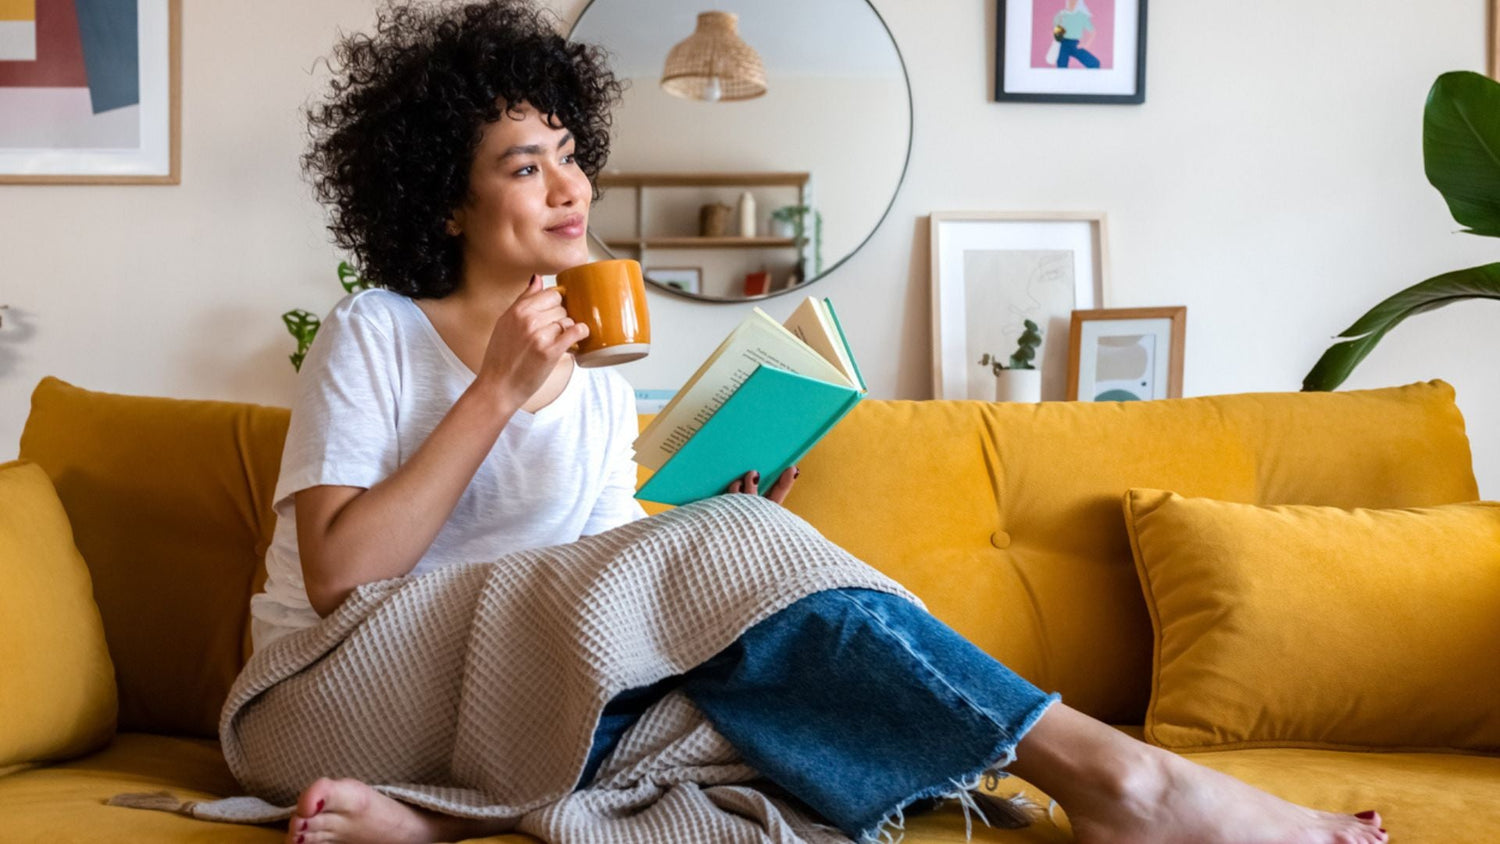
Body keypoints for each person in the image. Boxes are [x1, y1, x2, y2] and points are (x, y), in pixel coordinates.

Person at [248, 2, 1391, 843]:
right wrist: (494, 392)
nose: (570, 187)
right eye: (524, 164)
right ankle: (1129, 781)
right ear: (445, 203)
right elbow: (344, 575)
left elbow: (590, 591)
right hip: (325, 696)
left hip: (503, 699)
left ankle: (445, 819)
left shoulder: (597, 380)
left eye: (572, 154)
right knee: (744, 650)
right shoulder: (378, 332)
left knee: (763, 707)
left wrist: (711, 527)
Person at [1053, 0, 1102, 69]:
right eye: (1070, 2)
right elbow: (1057, 34)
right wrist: (1059, 25)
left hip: (1074, 44)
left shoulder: (1082, 16)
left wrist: (1086, 44)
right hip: (1063, 44)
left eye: (1074, 2)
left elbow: (1093, 32)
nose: (1071, 4)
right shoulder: (1061, 14)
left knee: (1095, 64)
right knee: (1061, 67)